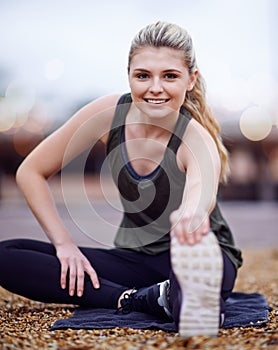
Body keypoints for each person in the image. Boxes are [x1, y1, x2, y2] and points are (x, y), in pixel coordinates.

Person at [0, 21, 242, 337]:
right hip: (136, 260)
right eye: (143, 75)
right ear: (128, 75)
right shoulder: (108, 112)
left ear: (190, 80)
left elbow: (201, 190)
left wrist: (190, 216)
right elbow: (30, 171)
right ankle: (138, 298)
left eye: (170, 76)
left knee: (190, 293)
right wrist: (65, 245)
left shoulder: (195, 139)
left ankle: (177, 296)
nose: (155, 87)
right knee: (7, 256)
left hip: (197, 258)